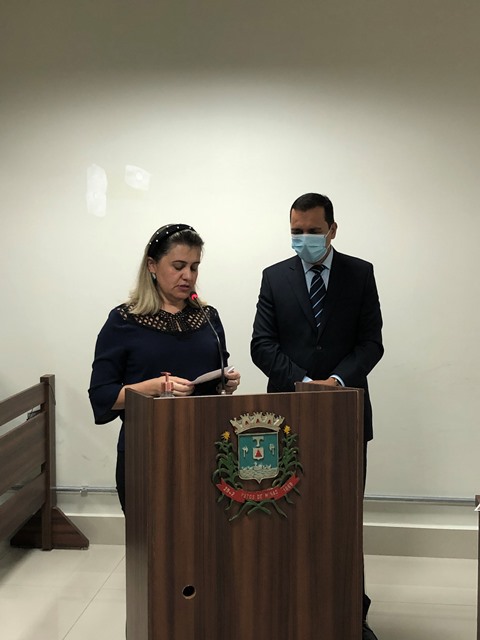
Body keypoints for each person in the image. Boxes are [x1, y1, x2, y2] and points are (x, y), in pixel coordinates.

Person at [250, 193, 383, 640]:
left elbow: (371, 343)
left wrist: (337, 382)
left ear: (332, 230)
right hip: (285, 415)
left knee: (342, 520)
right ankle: (284, 609)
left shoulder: (360, 273)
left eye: (312, 231)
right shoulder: (274, 277)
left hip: (346, 415)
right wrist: (304, 383)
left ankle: (349, 613)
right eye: (296, 231)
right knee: (284, 516)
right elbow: (262, 344)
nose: (303, 238)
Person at [89, 223, 241, 513]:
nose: (188, 276)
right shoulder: (124, 321)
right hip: (147, 448)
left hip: (207, 446)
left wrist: (225, 382)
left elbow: (217, 373)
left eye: (194, 267)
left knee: (207, 532)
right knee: (152, 535)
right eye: (178, 266)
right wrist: (155, 388)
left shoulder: (207, 317)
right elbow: (101, 395)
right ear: (152, 266)